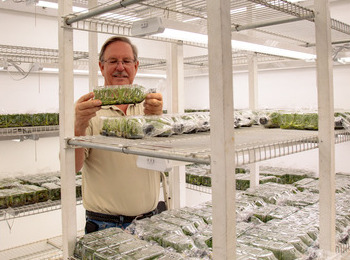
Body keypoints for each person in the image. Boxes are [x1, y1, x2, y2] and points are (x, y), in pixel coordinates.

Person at [74, 36, 164, 233]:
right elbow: (72, 166)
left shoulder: (149, 107)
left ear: (136, 66)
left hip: (149, 223)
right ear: (101, 66)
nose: (120, 67)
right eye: (113, 61)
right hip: (104, 225)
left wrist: (155, 122)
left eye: (126, 61)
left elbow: (164, 159)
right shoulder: (87, 110)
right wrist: (79, 126)